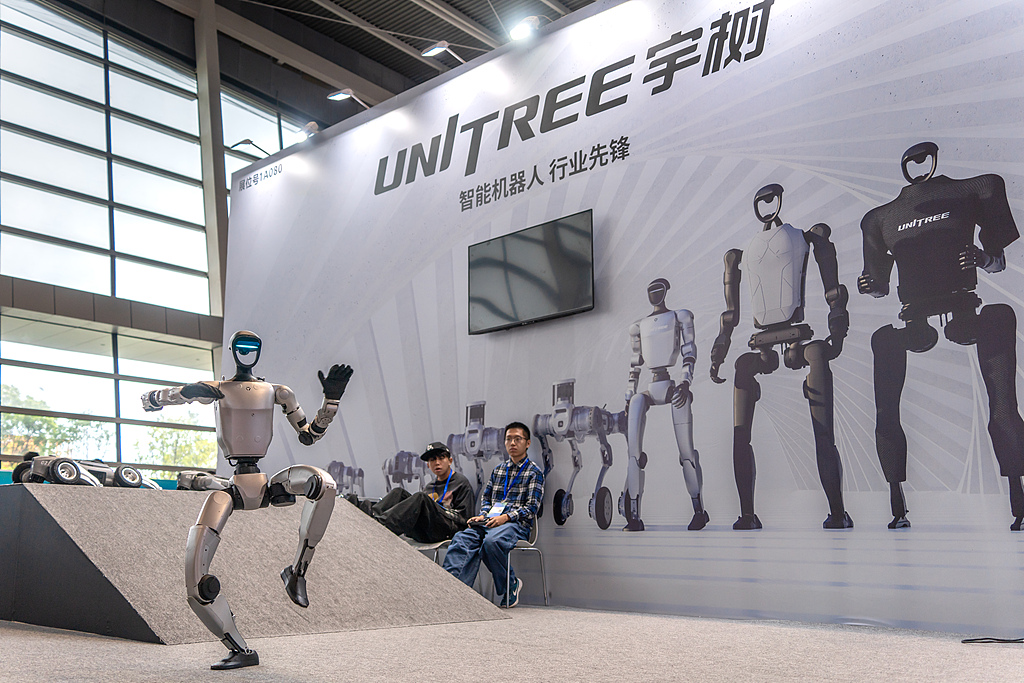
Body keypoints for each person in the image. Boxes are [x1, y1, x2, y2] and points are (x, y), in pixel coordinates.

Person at [442, 421, 544, 608]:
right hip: (490, 522)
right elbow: (486, 498)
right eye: (508, 439)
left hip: (515, 525)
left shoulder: (534, 472)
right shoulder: (499, 470)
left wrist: (505, 517)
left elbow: (532, 508)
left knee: (491, 542)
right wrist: (483, 515)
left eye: (518, 439)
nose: (512, 443)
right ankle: (453, 593)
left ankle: (510, 585)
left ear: (527, 443)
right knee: (462, 539)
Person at [354, 442, 474, 543]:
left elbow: (465, 520)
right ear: (428, 465)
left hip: (447, 530)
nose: (437, 462)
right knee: (398, 492)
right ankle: (370, 517)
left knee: (420, 497)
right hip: (426, 529)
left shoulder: (461, 483)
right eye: (432, 459)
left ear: (450, 461)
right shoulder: (430, 486)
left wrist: (441, 510)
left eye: (441, 458)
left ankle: (381, 526)